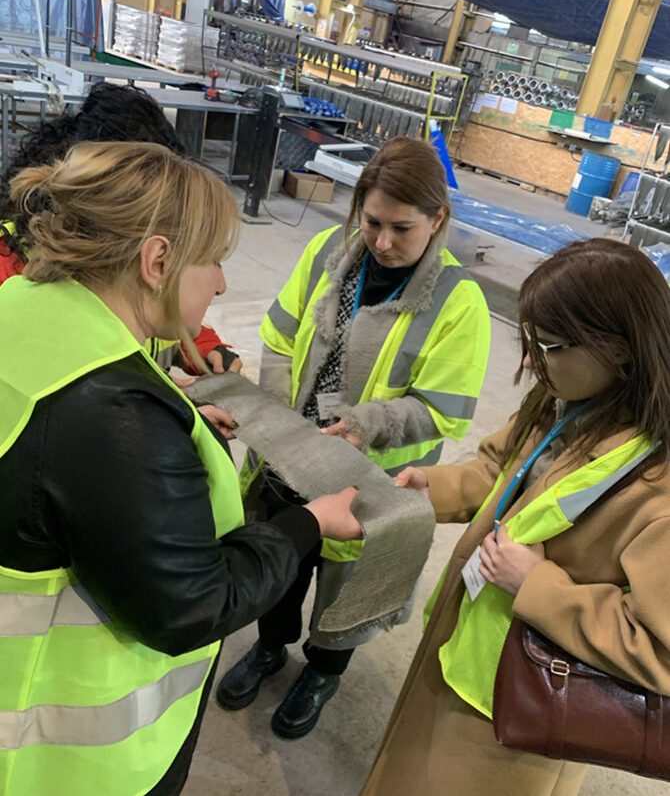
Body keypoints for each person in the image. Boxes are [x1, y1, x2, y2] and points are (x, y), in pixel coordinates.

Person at [0, 141, 361, 796]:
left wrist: (182, 413)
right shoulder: (117, 417)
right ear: (157, 260)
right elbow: (195, 603)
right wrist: (310, 522)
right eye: (214, 262)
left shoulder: (20, 309)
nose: (223, 284)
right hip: (58, 761)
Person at [358, 238, 670, 796]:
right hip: (462, 650)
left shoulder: (657, 486)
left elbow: (659, 650)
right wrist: (434, 486)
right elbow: (501, 471)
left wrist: (539, 585)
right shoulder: (566, 400)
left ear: (620, 349)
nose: (531, 362)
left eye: (550, 345)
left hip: (524, 706)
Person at [216, 136, 491, 739]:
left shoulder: (456, 302)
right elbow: (282, 337)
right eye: (371, 222)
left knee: (348, 590)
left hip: (374, 482)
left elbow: (442, 410)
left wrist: (371, 425)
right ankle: (270, 649)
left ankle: (323, 671)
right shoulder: (326, 253)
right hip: (291, 461)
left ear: (437, 219)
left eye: (402, 228)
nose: (383, 242)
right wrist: (283, 418)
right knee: (281, 563)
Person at [0, 81, 240, 376]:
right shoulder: (12, 275)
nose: (221, 286)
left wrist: (199, 345)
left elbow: (151, 316)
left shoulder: (118, 274)